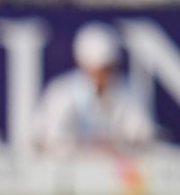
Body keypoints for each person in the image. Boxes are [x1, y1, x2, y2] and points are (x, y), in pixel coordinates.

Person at [29, 23, 154, 154]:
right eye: (98, 70)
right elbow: (44, 138)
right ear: (83, 65)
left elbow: (142, 135)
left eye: (108, 68)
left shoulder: (128, 92)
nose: (103, 76)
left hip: (115, 172)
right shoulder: (61, 93)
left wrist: (117, 143)